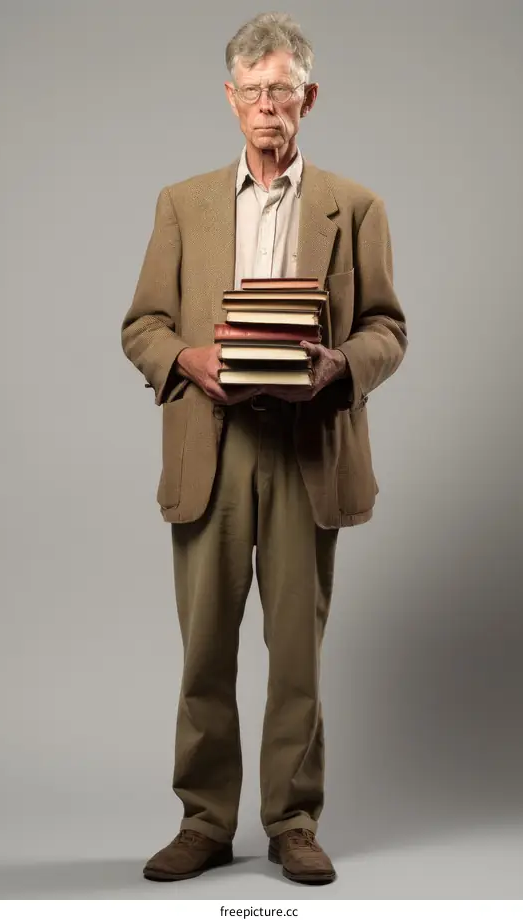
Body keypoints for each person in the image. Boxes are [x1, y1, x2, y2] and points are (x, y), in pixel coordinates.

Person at [121, 11, 407, 886]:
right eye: (252, 91)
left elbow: (388, 330)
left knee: (297, 651)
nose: (268, 104)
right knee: (205, 647)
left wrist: (336, 369)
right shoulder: (183, 203)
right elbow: (142, 326)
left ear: (308, 99)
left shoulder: (354, 207)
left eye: (283, 89)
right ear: (230, 101)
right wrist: (187, 361)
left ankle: (292, 822)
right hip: (211, 448)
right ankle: (205, 821)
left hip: (304, 448)